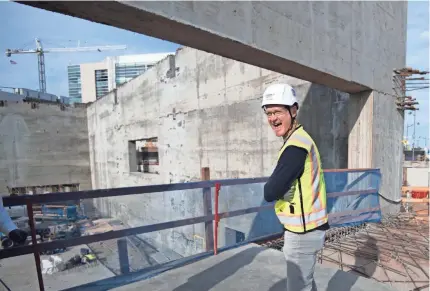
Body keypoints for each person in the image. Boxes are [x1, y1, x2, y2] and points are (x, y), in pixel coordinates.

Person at [262, 83, 329, 291]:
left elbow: (270, 191)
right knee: (305, 284)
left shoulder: (295, 147)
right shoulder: (300, 139)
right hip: (309, 227)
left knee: (299, 287)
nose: (272, 118)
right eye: (268, 113)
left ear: (293, 110)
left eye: (277, 112)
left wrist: (277, 185)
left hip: (303, 233)